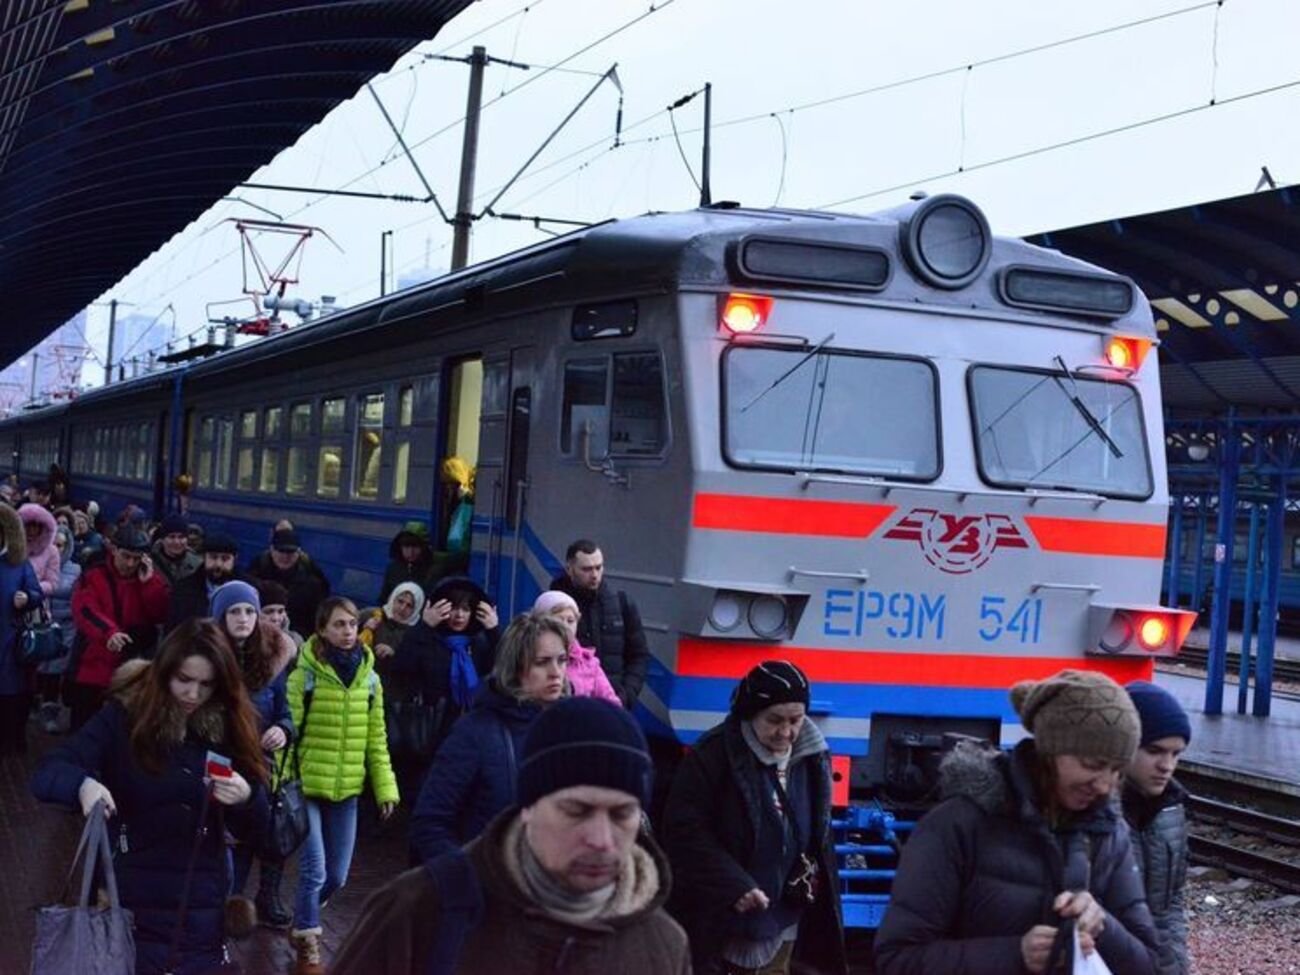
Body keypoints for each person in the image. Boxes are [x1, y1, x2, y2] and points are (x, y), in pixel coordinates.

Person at [331, 696, 690, 975]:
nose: (601, 839)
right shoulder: (420, 910)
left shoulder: (663, 947)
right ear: (528, 806)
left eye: (621, 814)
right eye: (576, 811)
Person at [874, 669, 1161, 975]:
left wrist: (1104, 927)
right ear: (1049, 751)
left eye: (1117, 771)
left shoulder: (1110, 834)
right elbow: (897, 960)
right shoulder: (958, 825)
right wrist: (1014, 956)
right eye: (1093, 764)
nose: (1105, 785)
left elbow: (1149, 965)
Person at [31, 620, 270, 975]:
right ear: (164, 672)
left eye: (206, 685)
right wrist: (82, 784)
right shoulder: (124, 717)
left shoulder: (230, 725)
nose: (192, 694)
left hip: (200, 909)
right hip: (128, 908)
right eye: (183, 680)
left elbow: (266, 833)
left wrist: (247, 796)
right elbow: (49, 772)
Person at [663, 660, 847, 975]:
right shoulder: (714, 755)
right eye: (774, 720)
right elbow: (684, 831)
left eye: (795, 720)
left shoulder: (813, 755)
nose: (786, 732)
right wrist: (733, 884)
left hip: (787, 912)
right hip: (727, 916)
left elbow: (818, 830)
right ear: (750, 713)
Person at [287, 596, 399, 975]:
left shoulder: (370, 680)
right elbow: (288, 734)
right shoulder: (305, 676)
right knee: (315, 870)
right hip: (307, 786)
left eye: (352, 624)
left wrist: (385, 788)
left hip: (347, 790)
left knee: (337, 876)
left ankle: (303, 918)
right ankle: (307, 945)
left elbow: (376, 738)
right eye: (338, 625)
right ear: (322, 629)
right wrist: (281, 782)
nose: (348, 632)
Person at [409, 612, 566, 862]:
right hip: (491, 889)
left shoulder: (570, 728)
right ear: (516, 667)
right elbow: (429, 823)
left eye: (562, 660)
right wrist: (470, 878)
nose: (556, 672)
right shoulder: (476, 731)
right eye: (542, 662)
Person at [211, 581, 297, 930]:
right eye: (235, 611)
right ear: (221, 616)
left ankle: (226, 919)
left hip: (256, 769)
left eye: (249, 611)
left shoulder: (270, 663)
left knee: (246, 844)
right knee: (216, 847)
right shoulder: (208, 660)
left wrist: (284, 730)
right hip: (216, 767)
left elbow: (284, 712)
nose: (244, 618)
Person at [68, 527, 171, 730]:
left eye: (136, 558)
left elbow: (160, 613)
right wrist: (109, 632)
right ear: (114, 550)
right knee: (85, 723)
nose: (130, 564)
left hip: (131, 666)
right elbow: (86, 609)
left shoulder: (149, 579)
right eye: (126, 556)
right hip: (95, 662)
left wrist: (148, 584)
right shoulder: (94, 575)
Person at [1124, 680, 1192, 975]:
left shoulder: (1170, 811)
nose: (1167, 765)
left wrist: (1175, 964)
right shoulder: (1091, 812)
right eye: (1155, 751)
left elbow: (1171, 903)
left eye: (1176, 754)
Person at [549, 539, 648, 709]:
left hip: (614, 704)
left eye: (598, 567)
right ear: (569, 570)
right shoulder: (556, 608)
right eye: (586, 569)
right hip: (571, 705)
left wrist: (626, 695)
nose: (594, 575)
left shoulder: (621, 602)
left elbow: (639, 655)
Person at [0, 504, 43, 756]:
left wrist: (27, 597)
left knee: (11, 694)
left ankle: (12, 740)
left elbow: (36, 592)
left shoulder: (18, 564)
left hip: (9, 638)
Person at [533, 590, 619, 705]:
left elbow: (613, 706)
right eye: (558, 620)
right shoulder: (528, 656)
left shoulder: (589, 663)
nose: (565, 626)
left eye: (570, 621)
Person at [36, 525, 80, 733]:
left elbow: (78, 601)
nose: (56, 549)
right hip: (38, 626)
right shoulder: (35, 564)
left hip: (64, 629)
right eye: (53, 544)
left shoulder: (76, 570)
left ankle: (50, 713)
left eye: (61, 545)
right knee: (35, 671)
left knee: (54, 673)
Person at [248, 528, 330, 639]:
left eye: (291, 552)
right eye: (281, 551)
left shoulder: (313, 584)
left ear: (299, 552)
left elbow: (316, 621)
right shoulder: (253, 577)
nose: (285, 556)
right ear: (272, 550)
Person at [167, 531, 241, 629]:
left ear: (234, 559)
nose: (218, 564)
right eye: (213, 557)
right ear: (204, 557)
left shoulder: (247, 590)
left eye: (225, 559)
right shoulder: (183, 589)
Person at [378, 522, 434, 605]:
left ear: (424, 547)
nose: (410, 552)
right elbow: (383, 598)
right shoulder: (393, 568)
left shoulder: (432, 569)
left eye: (415, 547)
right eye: (406, 547)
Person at [19, 502, 61, 596]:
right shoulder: (13, 545)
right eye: (27, 525)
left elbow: (52, 583)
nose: (30, 529)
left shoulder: (51, 551)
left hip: (35, 600)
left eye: (34, 526)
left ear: (42, 527)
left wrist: (32, 588)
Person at [152, 513, 202, 588]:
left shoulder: (198, 565)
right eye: (172, 537)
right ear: (162, 539)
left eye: (181, 537)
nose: (177, 542)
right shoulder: (150, 563)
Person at [256, 578, 304, 650]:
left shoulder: (296, 641)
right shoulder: (244, 642)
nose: (276, 618)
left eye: (280, 611)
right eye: (268, 612)